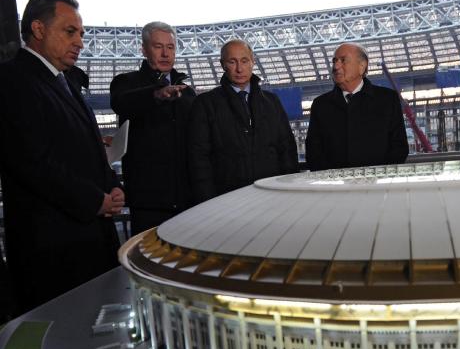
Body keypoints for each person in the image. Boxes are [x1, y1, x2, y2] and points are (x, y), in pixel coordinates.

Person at [0, 0, 124, 315]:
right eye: (70, 32)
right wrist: (94, 200)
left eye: (81, 33)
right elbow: (33, 161)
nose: (80, 41)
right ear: (39, 29)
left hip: (89, 240)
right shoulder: (12, 80)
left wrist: (113, 185)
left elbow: (90, 148)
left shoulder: (65, 82)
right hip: (53, 251)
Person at [188, 39, 298, 203]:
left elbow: (286, 149)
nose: (239, 69)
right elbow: (199, 159)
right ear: (222, 64)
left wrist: (289, 191)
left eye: (244, 61)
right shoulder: (205, 104)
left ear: (253, 61)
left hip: (272, 196)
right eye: (232, 62)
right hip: (226, 200)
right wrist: (207, 202)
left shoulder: (271, 101)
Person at [110, 22, 196, 233]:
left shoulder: (187, 92)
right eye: (158, 47)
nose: (166, 53)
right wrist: (156, 94)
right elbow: (121, 102)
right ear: (144, 49)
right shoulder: (125, 82)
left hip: (187, 199)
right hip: (148, 202)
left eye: (171, 47)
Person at [305, 43, 409, 171]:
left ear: (362, 66)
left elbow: (399, 146)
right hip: (335, 187)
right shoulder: (320, 105)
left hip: (376, 185)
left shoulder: (387, 99)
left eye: (343, 61)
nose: (336, 66)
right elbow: (313, 151)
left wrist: (379, 175)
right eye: (334, 61)